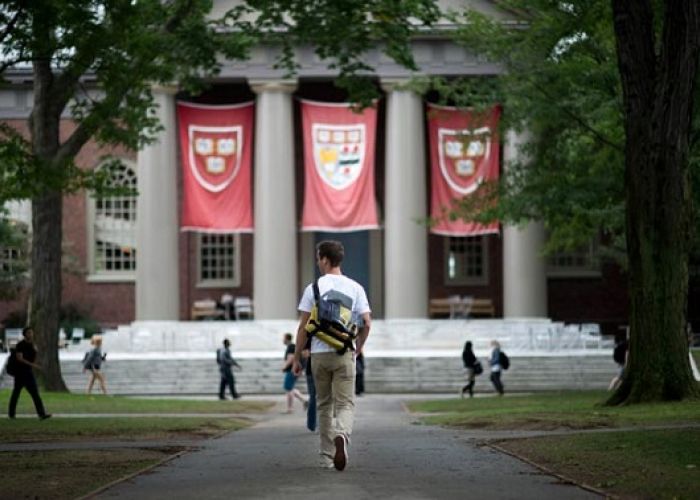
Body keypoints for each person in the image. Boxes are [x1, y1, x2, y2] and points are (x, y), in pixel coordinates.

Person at [293, 240, 372, 471]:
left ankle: (327, 457)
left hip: (318, 354)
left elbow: (302, 327)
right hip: (344, 353)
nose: (318, 262)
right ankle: (342, 435)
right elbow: (367, 322)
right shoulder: (356, 288)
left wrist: (297, 358)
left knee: (324, 405)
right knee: (346, 403)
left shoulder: (313, 288)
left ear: (325, 259)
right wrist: (359, 347)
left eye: (319, 258)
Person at [8, 326, 51, 420]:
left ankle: (41, 414)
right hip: (20, 372)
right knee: (17, 393)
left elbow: (34, 359)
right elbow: (20, 358)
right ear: (25, 334)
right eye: (29, 333)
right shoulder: (20, 345)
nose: (31, 334)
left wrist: (36, 352)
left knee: (34, 393)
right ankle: (11, 414)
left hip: (28, 372)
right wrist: (34, 366)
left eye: (31, 332)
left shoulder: (32, 345)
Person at [282, 333, 307, 413]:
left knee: (288, 388)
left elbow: (291, 358)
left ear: (287, 339)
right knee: (290, 387)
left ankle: (290, 408)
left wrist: (284, 367)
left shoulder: (291, 346)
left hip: (292, 370)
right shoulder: (292, 346)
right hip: (294, 370)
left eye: (283, 338)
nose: (282, 340)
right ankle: (304, 400)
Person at [302, 344, 317, 432]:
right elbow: (305, 353)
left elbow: (304, 353)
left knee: (315, 397)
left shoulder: (311, 333)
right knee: (314, 397)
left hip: (314, 369)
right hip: (311, 370)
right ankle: (313, 424)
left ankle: (313, 424)